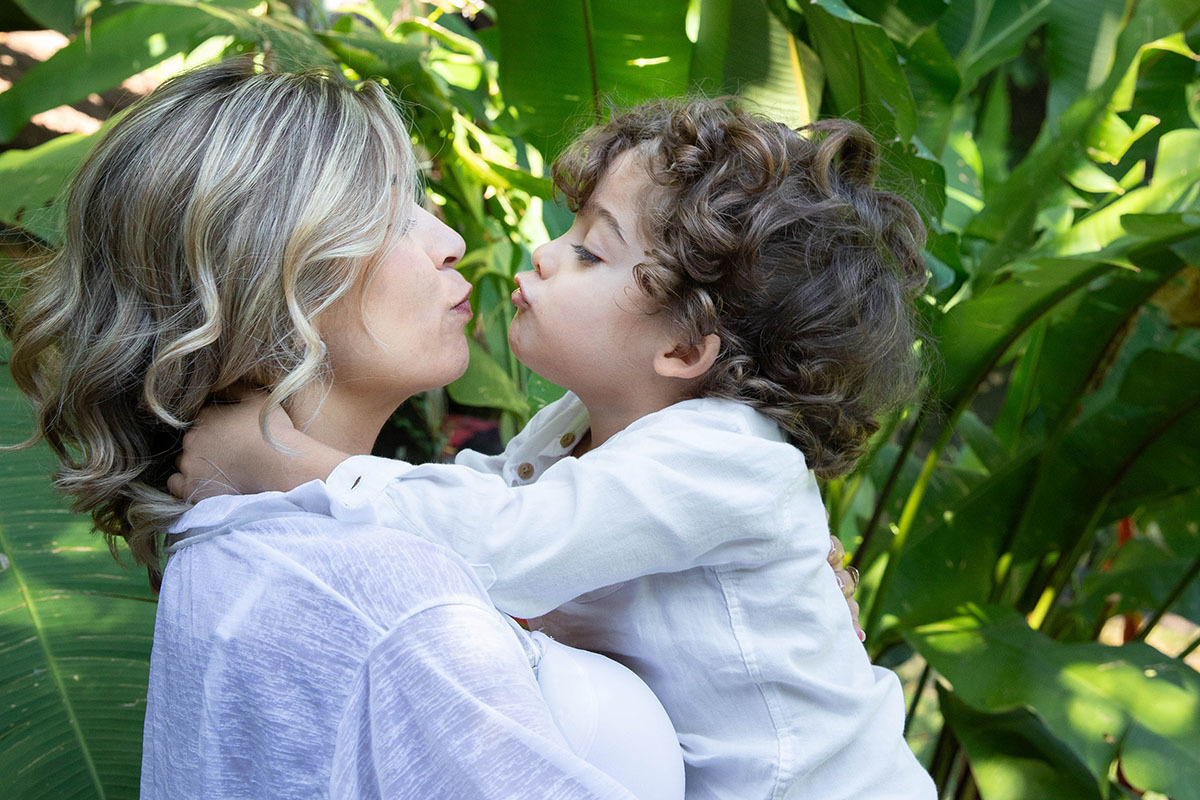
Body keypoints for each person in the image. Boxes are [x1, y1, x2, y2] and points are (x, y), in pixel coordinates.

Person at [172, 98, 936, 799]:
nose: (541, 252)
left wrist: (284, 461)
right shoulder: (579, 427)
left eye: (590, 253)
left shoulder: (727, 454)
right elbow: (487, 505)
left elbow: (501, 544)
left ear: (684, 348)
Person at [4, 59, 694, 800]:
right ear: (268, 275)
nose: (450, 240)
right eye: (394, 215)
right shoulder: (393, 597)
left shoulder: (230, 542)